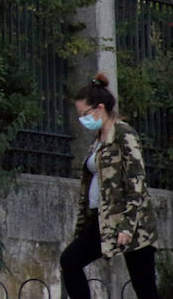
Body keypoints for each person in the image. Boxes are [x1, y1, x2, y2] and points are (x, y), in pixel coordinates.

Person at [60, 73, 160, 299]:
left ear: (100, 108)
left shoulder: (124, 134)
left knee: (144, 287)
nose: (82, 120)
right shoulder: (97, 140)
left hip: (132, 223)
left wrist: (127, 226)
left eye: (84, 114)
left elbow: (136, 179)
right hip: (104, 220)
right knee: (70, 261)